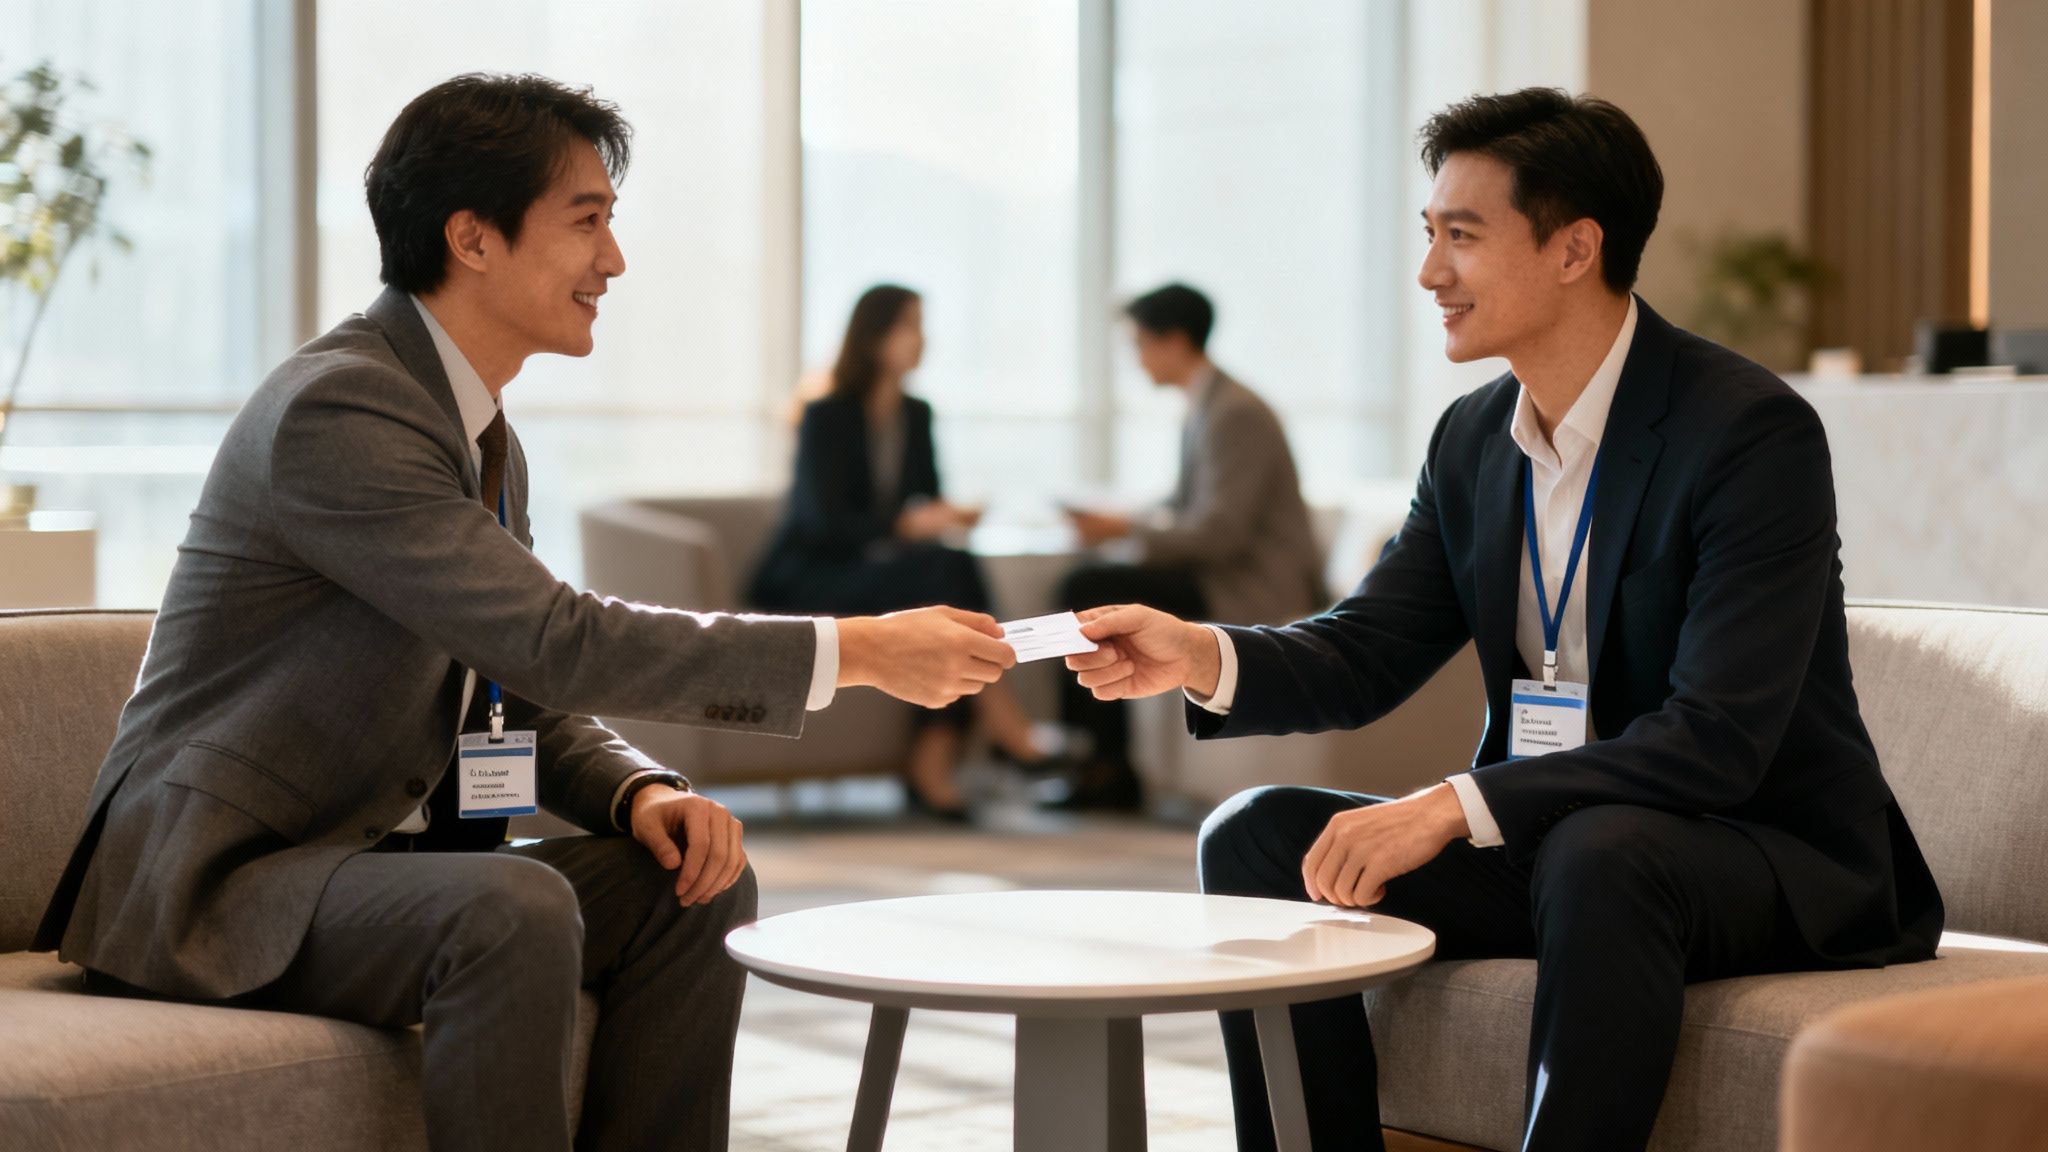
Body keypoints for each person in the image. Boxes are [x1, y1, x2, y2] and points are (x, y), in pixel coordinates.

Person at [32, 74, 1017, 1152]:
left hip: (372, 867)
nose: (615, 260)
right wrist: (859, 649)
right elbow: (557, 635)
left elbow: (513, 684)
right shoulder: (342, 408)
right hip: (229, 884)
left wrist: (637, 789)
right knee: (510, 903)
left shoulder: (481, 437)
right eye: (586, 220)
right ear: (473, 237)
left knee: (690, 885)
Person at [1063, 89, 1943, 1151]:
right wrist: (1199, 653)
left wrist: (1446, 804)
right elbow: (1366, 647)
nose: (1430, 272)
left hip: (1755, 849)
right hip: (1560, 840)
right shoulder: (1472, 439)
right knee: (1256, 837)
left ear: (1574, 249)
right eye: (1428, 235)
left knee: (1599, 852)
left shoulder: (1745, 432)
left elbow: (1715, 738)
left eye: (1461, 238)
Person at [750, 285, 1048, 818]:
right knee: (946, 573)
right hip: (812, 573)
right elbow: (823, 524)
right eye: (909, 325)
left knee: (949, 573)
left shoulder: (916, 413)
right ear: (874, 335)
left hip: (881, 571)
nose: (921, 340)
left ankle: (937, 757)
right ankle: (996, 723)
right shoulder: (826, 414)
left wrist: (949, 515)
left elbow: (926, 499)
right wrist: (906, 524)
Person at [1052, 283, 1324, 810]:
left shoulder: (1233, 412)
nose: (1136, 360)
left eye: (1139, 344)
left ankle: (1106, 767)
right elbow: (1183, 505)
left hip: (1247, 586)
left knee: (1087, 587)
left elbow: (1219, 534)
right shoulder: (1208, 403)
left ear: (1174, 342)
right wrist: (1120, 526)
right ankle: (1098, 762)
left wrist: (1121, 531)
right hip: (1220, 573)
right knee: (1093, 582)